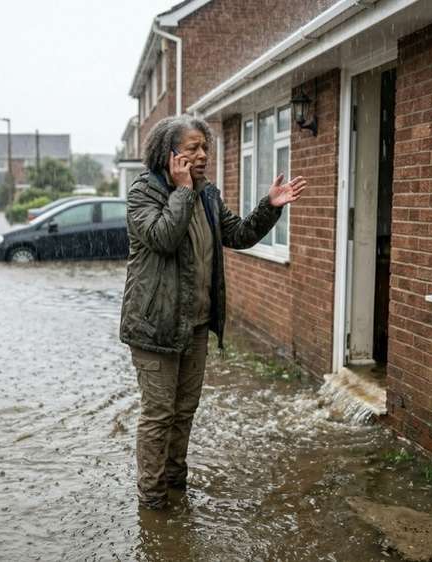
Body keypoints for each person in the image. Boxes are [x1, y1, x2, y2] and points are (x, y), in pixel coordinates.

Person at [119, 115, 305, 509]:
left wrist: (269, 207)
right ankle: (153, 502)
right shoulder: (144, 193)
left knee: (184, 410)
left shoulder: (207, 195)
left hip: (196, 327)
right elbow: (164, 239)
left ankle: (175, 485)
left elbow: (236, 235)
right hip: (154, 327)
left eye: (205, 147)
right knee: (158, 415)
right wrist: (183, 190)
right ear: (170, 154)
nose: (203, 155)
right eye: (192, 149)